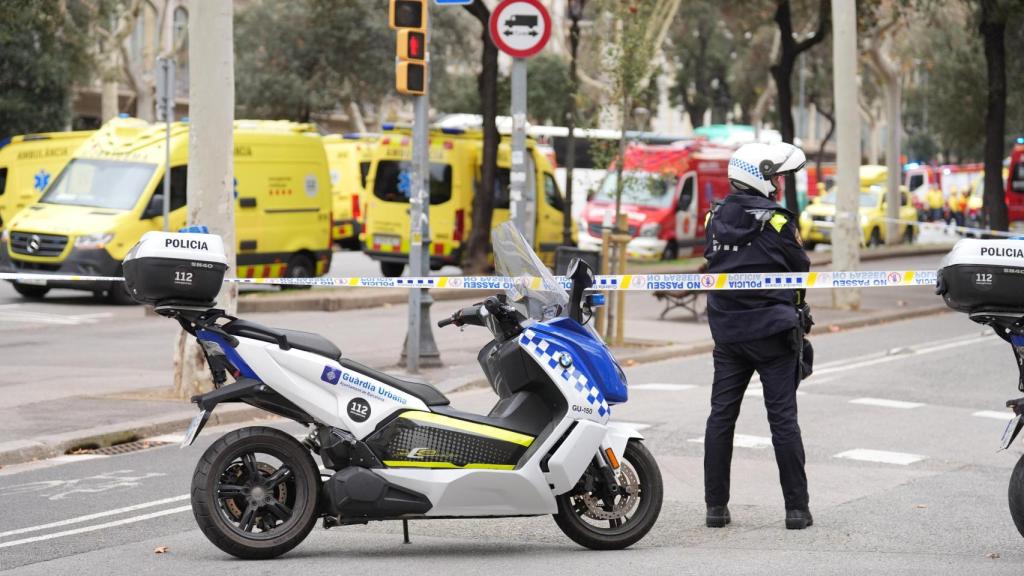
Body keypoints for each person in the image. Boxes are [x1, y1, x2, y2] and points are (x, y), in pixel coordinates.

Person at [702, 142, 814, 530]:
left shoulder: (712, 217)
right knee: (783, 420)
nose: (778, 183)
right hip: (773, 334)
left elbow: (713, 261)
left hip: (728, 334)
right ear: (759, 176)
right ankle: (796, 511)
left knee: (721, 418)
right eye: (774, 176)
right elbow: (801, 270)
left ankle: (715, 509)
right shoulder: (779, 222)